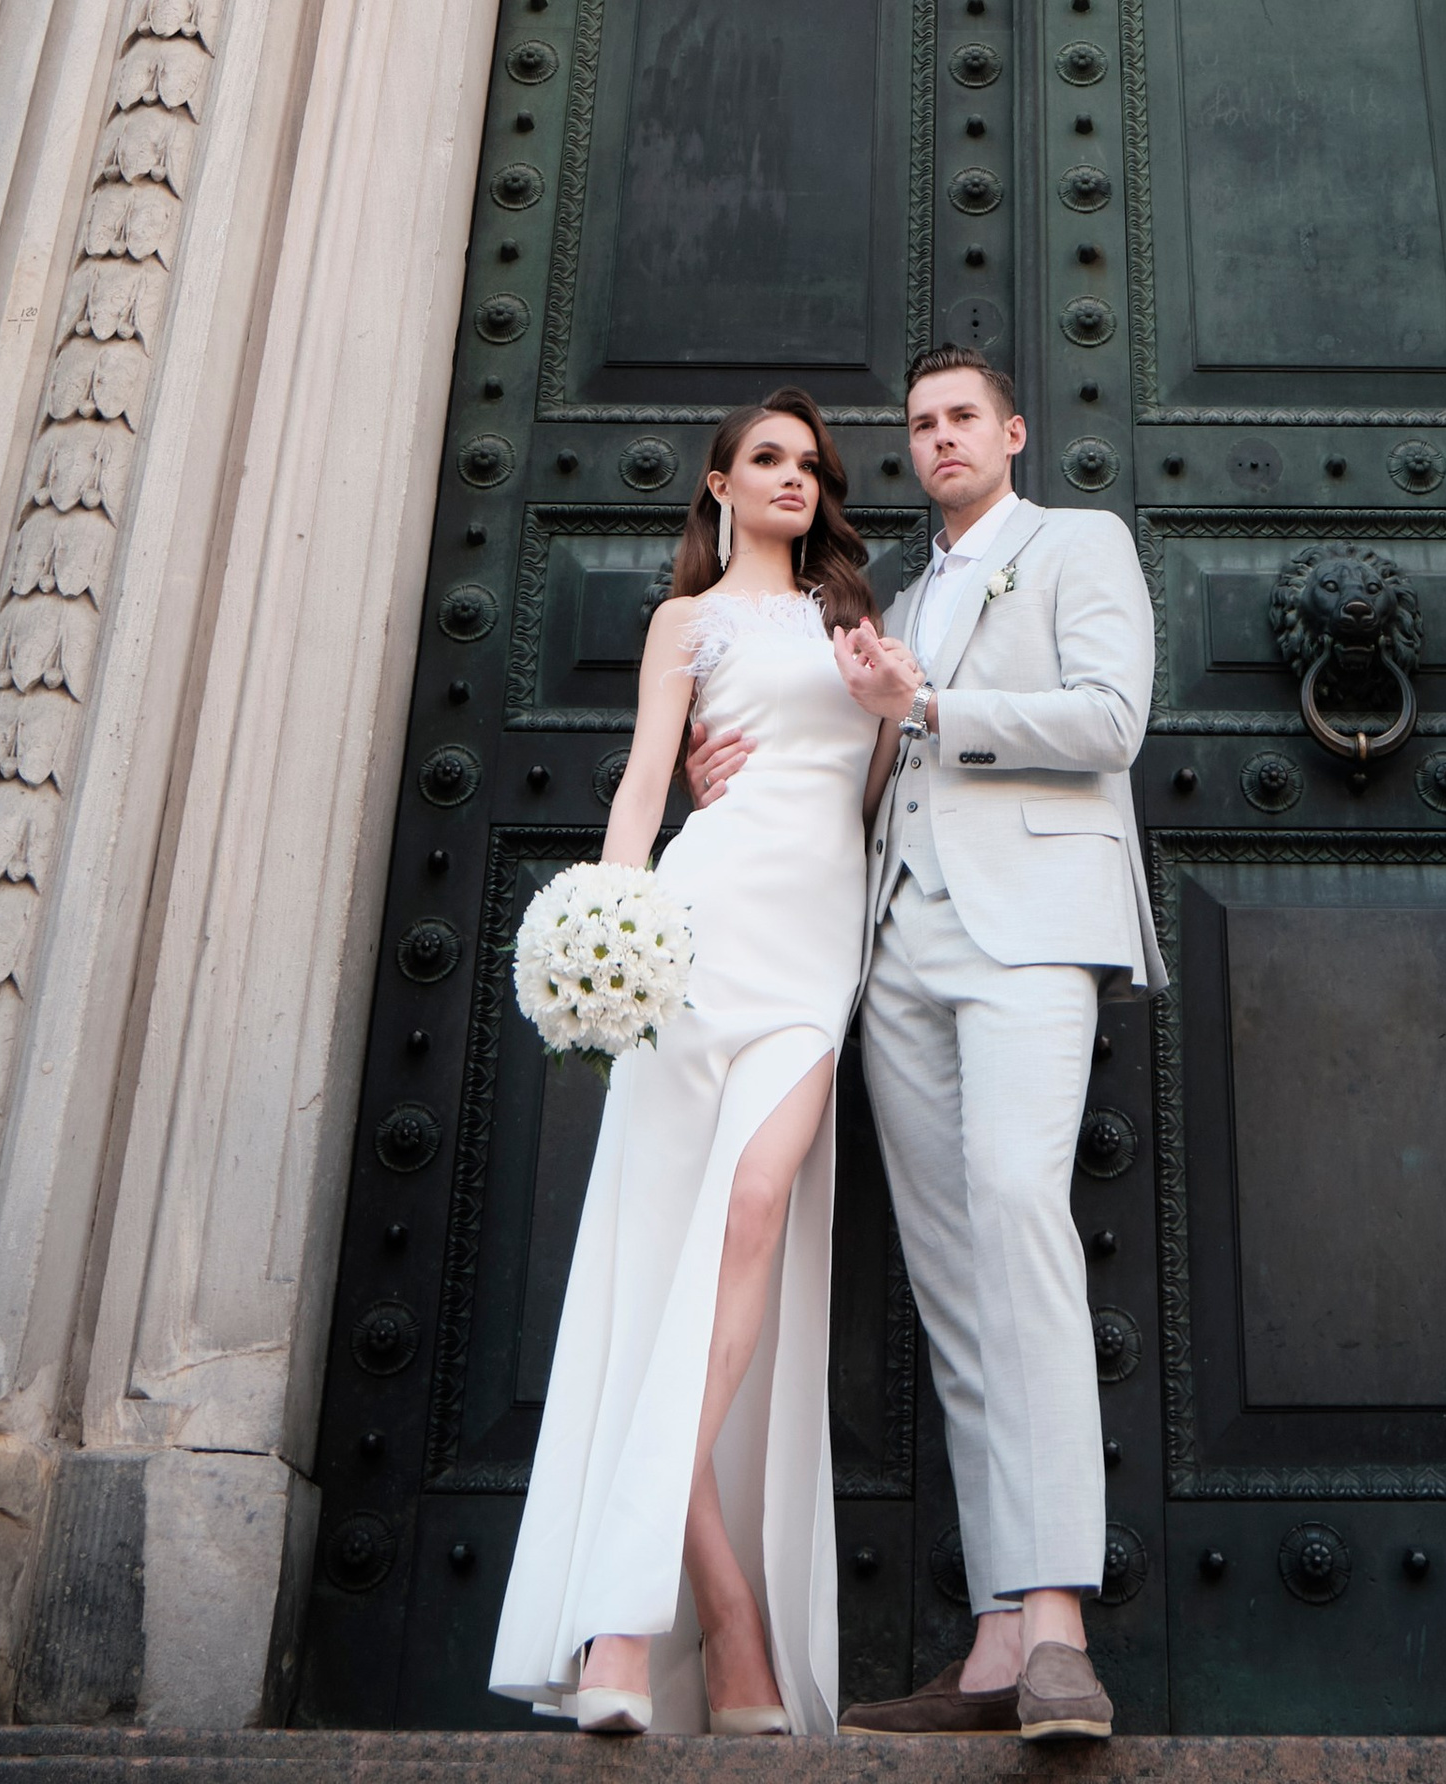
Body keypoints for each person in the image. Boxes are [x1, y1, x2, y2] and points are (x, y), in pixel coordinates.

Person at [689, 350, 1163, 1741]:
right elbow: (848, 762)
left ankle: (1063, 1624)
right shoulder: (891, 602)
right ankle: (996, 1644)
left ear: (1012, 434)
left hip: (1027, 929)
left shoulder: (1080, 543)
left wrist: (935, 706)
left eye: (964, 417)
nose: (940, 437)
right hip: (895, 947)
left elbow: (1110, 720)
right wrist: (713, 775)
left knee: (1019, 1216)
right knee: (954, 1286)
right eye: (920, 425)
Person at [488, 393, 885, 1737]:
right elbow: (647, 787)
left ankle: (643, 1622)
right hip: (702, 932)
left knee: (756, 1213)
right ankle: (706, 1639)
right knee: (676, 1283)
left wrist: (889, 708)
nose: (791, 478)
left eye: (808, 466)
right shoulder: (687, 623)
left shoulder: (856, 627)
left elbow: (876, 788)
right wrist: (608, 931)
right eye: (766, 459)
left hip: (814, 952)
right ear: (720, 482)